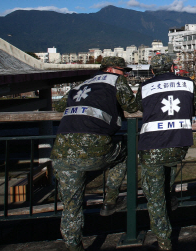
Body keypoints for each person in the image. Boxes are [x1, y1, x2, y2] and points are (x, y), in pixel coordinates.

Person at [51, 56, 139, 251]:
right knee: (124, 153)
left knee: (71, 204)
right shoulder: (116, 81)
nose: (125, 74)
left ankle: (74, 246)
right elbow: (132, 107)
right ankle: (110, 201)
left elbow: (59, 107)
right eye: (122, 70)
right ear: (110, 70)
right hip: (95, 146)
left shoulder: (82, 83)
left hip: (62, 150)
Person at [135, 54, 196, 251]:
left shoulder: (145, 86)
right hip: (179, 146)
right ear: (173, 68)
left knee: (154, 196)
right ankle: (170, 197)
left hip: (151, 147)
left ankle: (164, 241)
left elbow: (136, 107)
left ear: (151, 71)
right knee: (167, 176)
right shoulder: (187, 83)